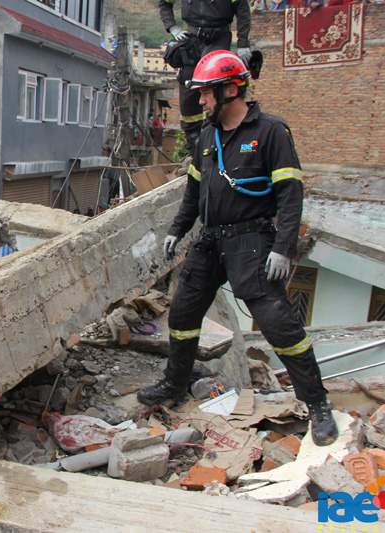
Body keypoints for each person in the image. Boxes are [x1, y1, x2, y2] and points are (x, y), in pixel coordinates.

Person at [138, 50, 338, 447]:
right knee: (182, 315)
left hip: (252, 243)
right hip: (210, 241)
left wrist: (284, 248)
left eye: (207, 94)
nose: (202, 102)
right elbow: (193, 192)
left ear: (231, 90)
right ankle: (175, 385)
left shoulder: (271, 131)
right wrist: (178, 230)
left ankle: (317, 404)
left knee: (281, 327)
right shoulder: (207, 137)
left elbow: (290, 194)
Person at [159, 0, 252, 155]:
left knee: (214, 87)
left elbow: (242, 9)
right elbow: (165, 3)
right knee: (188, 91)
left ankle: (214, 143)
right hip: (191, 39)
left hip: (218, 38)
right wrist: (172, 27)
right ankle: (193, 151)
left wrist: (243, 43)